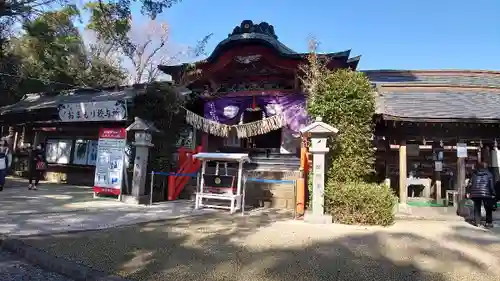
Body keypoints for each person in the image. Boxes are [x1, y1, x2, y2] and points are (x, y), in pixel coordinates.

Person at [466, 161, 496, 228]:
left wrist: (468, 192)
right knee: (488, 208)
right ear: (486, 167)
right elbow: (491, 186)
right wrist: (493, 193)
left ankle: (477, 223)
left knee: (477, 208)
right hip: (486, 194)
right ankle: (488, 223)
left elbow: (470, 184)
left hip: (475, 194)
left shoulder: (474, 174)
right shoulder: (489, 174)